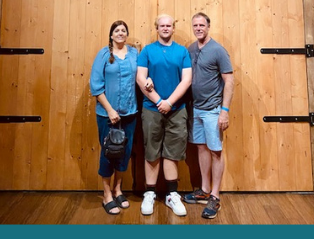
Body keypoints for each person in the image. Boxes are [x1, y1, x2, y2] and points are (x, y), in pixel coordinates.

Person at [136, 14, 192, 217]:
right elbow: (141, 78)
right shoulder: (148, 51)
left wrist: (169, 102)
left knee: (172, 152)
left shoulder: (182, 51)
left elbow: (186, 81)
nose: (166, 28)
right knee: (152, 151)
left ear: (173, 28)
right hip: (151, 109)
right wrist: (159, 101)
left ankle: (171, 195)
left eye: (169, 25)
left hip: (177, 110)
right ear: (156, 28)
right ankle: (149, 193)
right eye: (162, 25)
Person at [183, 12, 235, 220]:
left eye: (201, 25)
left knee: (215, 151)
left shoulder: (218, 50)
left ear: (208, 26)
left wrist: (225, 111)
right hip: (195, 109)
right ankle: (204, 189)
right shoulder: (191, 49)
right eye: (195, 25)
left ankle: (215, 195)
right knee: (201, 147)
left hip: (213, 110)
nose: (198, 28)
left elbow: (229, 82)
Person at [89, 21, 140, 215]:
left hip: (130, 113)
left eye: (123, 31)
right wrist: (110, 110)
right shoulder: (103, 55)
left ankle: (119, 189)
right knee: (109, 152)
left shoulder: (134, 54)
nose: (120, 33)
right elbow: (96, 86)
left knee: (124, 152)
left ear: (127, 34)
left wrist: (149, 80)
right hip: (107, 115)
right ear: (111, 35)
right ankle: (107, 194)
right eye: (116, 31)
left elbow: (142, 75)